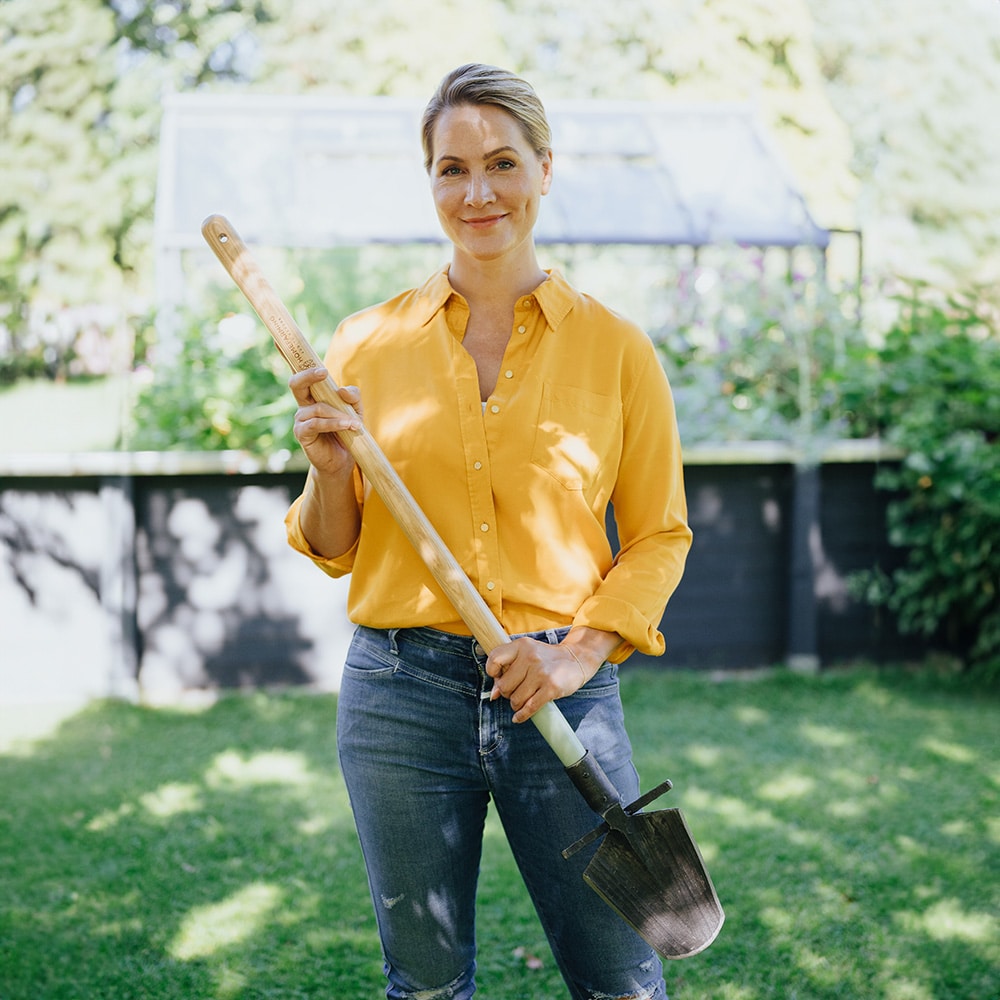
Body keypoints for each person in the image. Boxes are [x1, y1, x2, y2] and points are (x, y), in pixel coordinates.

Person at [284, 63, 692, 1000]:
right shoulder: (363, 345)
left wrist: (578, 653)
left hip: (562, 690)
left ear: (545, 170)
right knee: (424, 987)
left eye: (502, 162)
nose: (478, 192)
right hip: (399, 695)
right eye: (451, 168)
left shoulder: (616, 348)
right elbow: (333, 543)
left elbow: (660, 534)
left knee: (621, 983)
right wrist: (330, 469)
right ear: (428, 180)